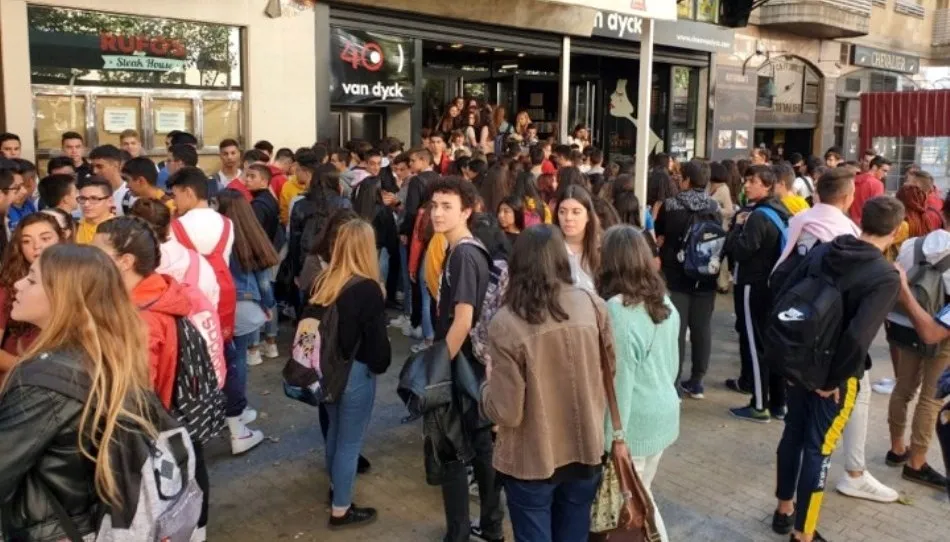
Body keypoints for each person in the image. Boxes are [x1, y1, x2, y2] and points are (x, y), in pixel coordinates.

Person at [0, 244, 160, 542]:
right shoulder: (107, 355)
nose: (19, 284)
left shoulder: (41, 380)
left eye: (32, 279)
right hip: (92, 519)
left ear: (64, 297)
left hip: (54, 528)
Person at [772, 197, 904, 542]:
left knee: (793, 434)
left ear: (860, 219)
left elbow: (786, 291)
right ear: (896, 231)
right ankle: (804, 532)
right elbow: (860, 338)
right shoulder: (884, 274)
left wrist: (790, 356)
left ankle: (784, 509)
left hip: (800, 362)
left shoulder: (826, 249)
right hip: (835, 378)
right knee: (819, 448)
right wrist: (831, 381)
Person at [481, 225, 608, 541]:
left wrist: (485, 390)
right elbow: (609, 376)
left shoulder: (506, 322)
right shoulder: (593, 305)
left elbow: (506, 411)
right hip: (585, 446)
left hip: (531, 456)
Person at [301, 219, 391, 529]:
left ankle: (336, 488)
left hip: (324, 371)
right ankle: (341, 508)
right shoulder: (367, 288)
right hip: (356, 374)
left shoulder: (323, 280)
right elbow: (378, 348)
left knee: (335, 434)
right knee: (350, 443)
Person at [426, 177, 502, 542]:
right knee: (481, 446)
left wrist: (436, 369)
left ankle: (460, 531)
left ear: (466, 212)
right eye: (434, 206)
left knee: (452, 448)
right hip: (469, 366)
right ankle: (490, 526)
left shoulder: (464, 254)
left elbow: (463, 320)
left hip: (460, 367)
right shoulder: (459, 250)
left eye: (447, 207)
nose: (437, 213)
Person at [597, 225, 680, 542]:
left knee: (637, 507)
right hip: (663, 413)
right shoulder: (665, 302)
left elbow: (620, 384)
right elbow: (672, 364)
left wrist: (611, 440)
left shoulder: (616, 311)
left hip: (633, 428)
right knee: (643, 495)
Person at [884, 193, 950, 491]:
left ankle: (897, 449)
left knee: (903, 388)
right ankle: (917, 462)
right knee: (931, 398)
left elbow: (897, 278)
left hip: (903, 325)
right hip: (940, 333)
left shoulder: (914, 243)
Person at [726, 164, 792, 422]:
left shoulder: (757, 217)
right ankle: (779, 402)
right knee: (770, 343)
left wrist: (736, 229)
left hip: (752, 285)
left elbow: (741, 251)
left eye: (752, 181)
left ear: (766, 185)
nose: (746, 185)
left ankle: (759, 403)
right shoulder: (782, 212)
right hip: (773, 286)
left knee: (754, 344)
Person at [655, 160, 721, 398]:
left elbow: (660, 234)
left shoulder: (671, 206)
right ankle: (697, 381)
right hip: (706, 275)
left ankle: (673, 381)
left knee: (677, 329)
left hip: (676, 274)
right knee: (702, 328)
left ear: (686, 180)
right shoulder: (713, 206)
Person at [0, 213, 67, 372]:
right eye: (26, 241)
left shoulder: (78, 281)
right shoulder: (9, 288)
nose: (37, 246)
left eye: (45, 238)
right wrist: (34, 371)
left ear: (61, 239)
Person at [130, 197, 220, 310]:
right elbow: (213, 301)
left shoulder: (130, 268)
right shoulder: (197, 261)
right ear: (169, 226)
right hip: (197, 324)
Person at [556, 184, 601, 292]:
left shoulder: (601, 248)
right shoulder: (550, 248)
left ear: (588, 216)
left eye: (576, 212)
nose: (568, 218)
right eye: (562, 212)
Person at [89, 144, 131, 216]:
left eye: (100, 166)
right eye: (93, 166)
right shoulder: (89, 194)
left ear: (116, 165)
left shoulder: (130, 195)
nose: (94, 171)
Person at [74, 176, 115, 244]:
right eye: (83, 198)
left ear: (110, 201)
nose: (86, 204)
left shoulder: (119, 230)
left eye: (94, 199)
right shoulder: (74, 228)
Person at [849, 156, 889, 223]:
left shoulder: (853, 179)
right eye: (884, 170)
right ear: (874, 167)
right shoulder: (877, 184)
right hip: (865, 224)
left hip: (849, 221)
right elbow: (877, 209)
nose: (885, 174)